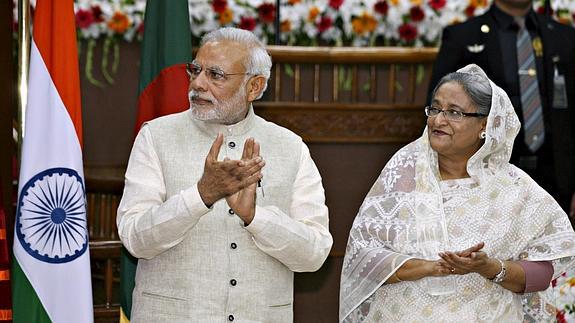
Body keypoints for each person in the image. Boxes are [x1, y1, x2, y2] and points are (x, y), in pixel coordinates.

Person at [117, 27, 333, 322]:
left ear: (254, 87)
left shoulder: (290, 147)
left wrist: (257, 218)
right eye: (195, 70)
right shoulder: (156, 137)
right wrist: (200, 196)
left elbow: (315, 253)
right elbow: (134, 237)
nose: (198, 84)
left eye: (215, 75)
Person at [340, 64, 575, 322]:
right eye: (436, 108)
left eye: (454, 112)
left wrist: (489, 267)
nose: (439, 120)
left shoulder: (515, 188)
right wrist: (428, 267)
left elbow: (542, 274)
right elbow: (362, 256)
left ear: (485, 124)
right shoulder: (404, 172)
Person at [428, 0, 575, 218]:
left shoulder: (565, 37)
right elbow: (439, 112)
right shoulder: (463, 37)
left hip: (558, 177)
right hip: (487, 181)